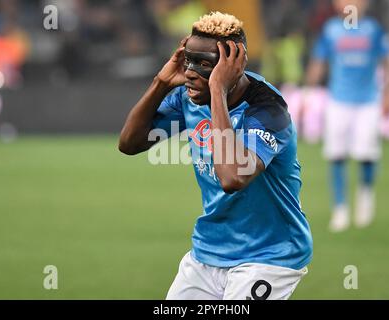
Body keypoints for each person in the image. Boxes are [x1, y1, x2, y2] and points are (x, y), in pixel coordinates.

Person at [119, 12, 312, 300]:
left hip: (269, 255)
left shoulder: (268, 110)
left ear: (234, 66)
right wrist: (161, 81)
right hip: (208, 251)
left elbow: (232, 178)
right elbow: (130, 143)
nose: (192, 73)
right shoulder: (191, 95)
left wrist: (218, 91)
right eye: (189, 61)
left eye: (205, 64)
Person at [304, 0, 389, 232]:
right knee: (336, 155)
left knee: (366, 154)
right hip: (338, 100)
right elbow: (319, 62)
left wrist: (388, 93)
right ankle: (340, 209)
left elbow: (388, 63)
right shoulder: (330, 30)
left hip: (367, 101)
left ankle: (365, 195)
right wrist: (306, 93)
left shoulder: (373, 29)